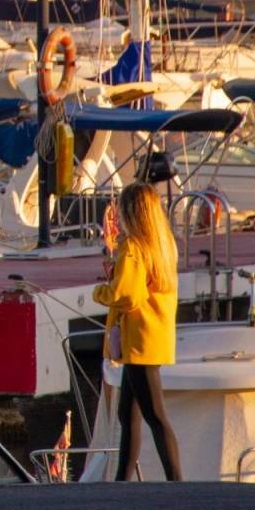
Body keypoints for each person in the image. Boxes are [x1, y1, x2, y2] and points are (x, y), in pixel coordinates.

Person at [93, 182, 183, 480]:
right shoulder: (162, 243)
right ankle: (123, 479)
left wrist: (100, 292)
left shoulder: (133, 247)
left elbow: (125, 295)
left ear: (130, 211)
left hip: (138, 339)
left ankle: (176, 481)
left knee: (155, 416)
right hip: (155, 336)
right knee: (127, 412)